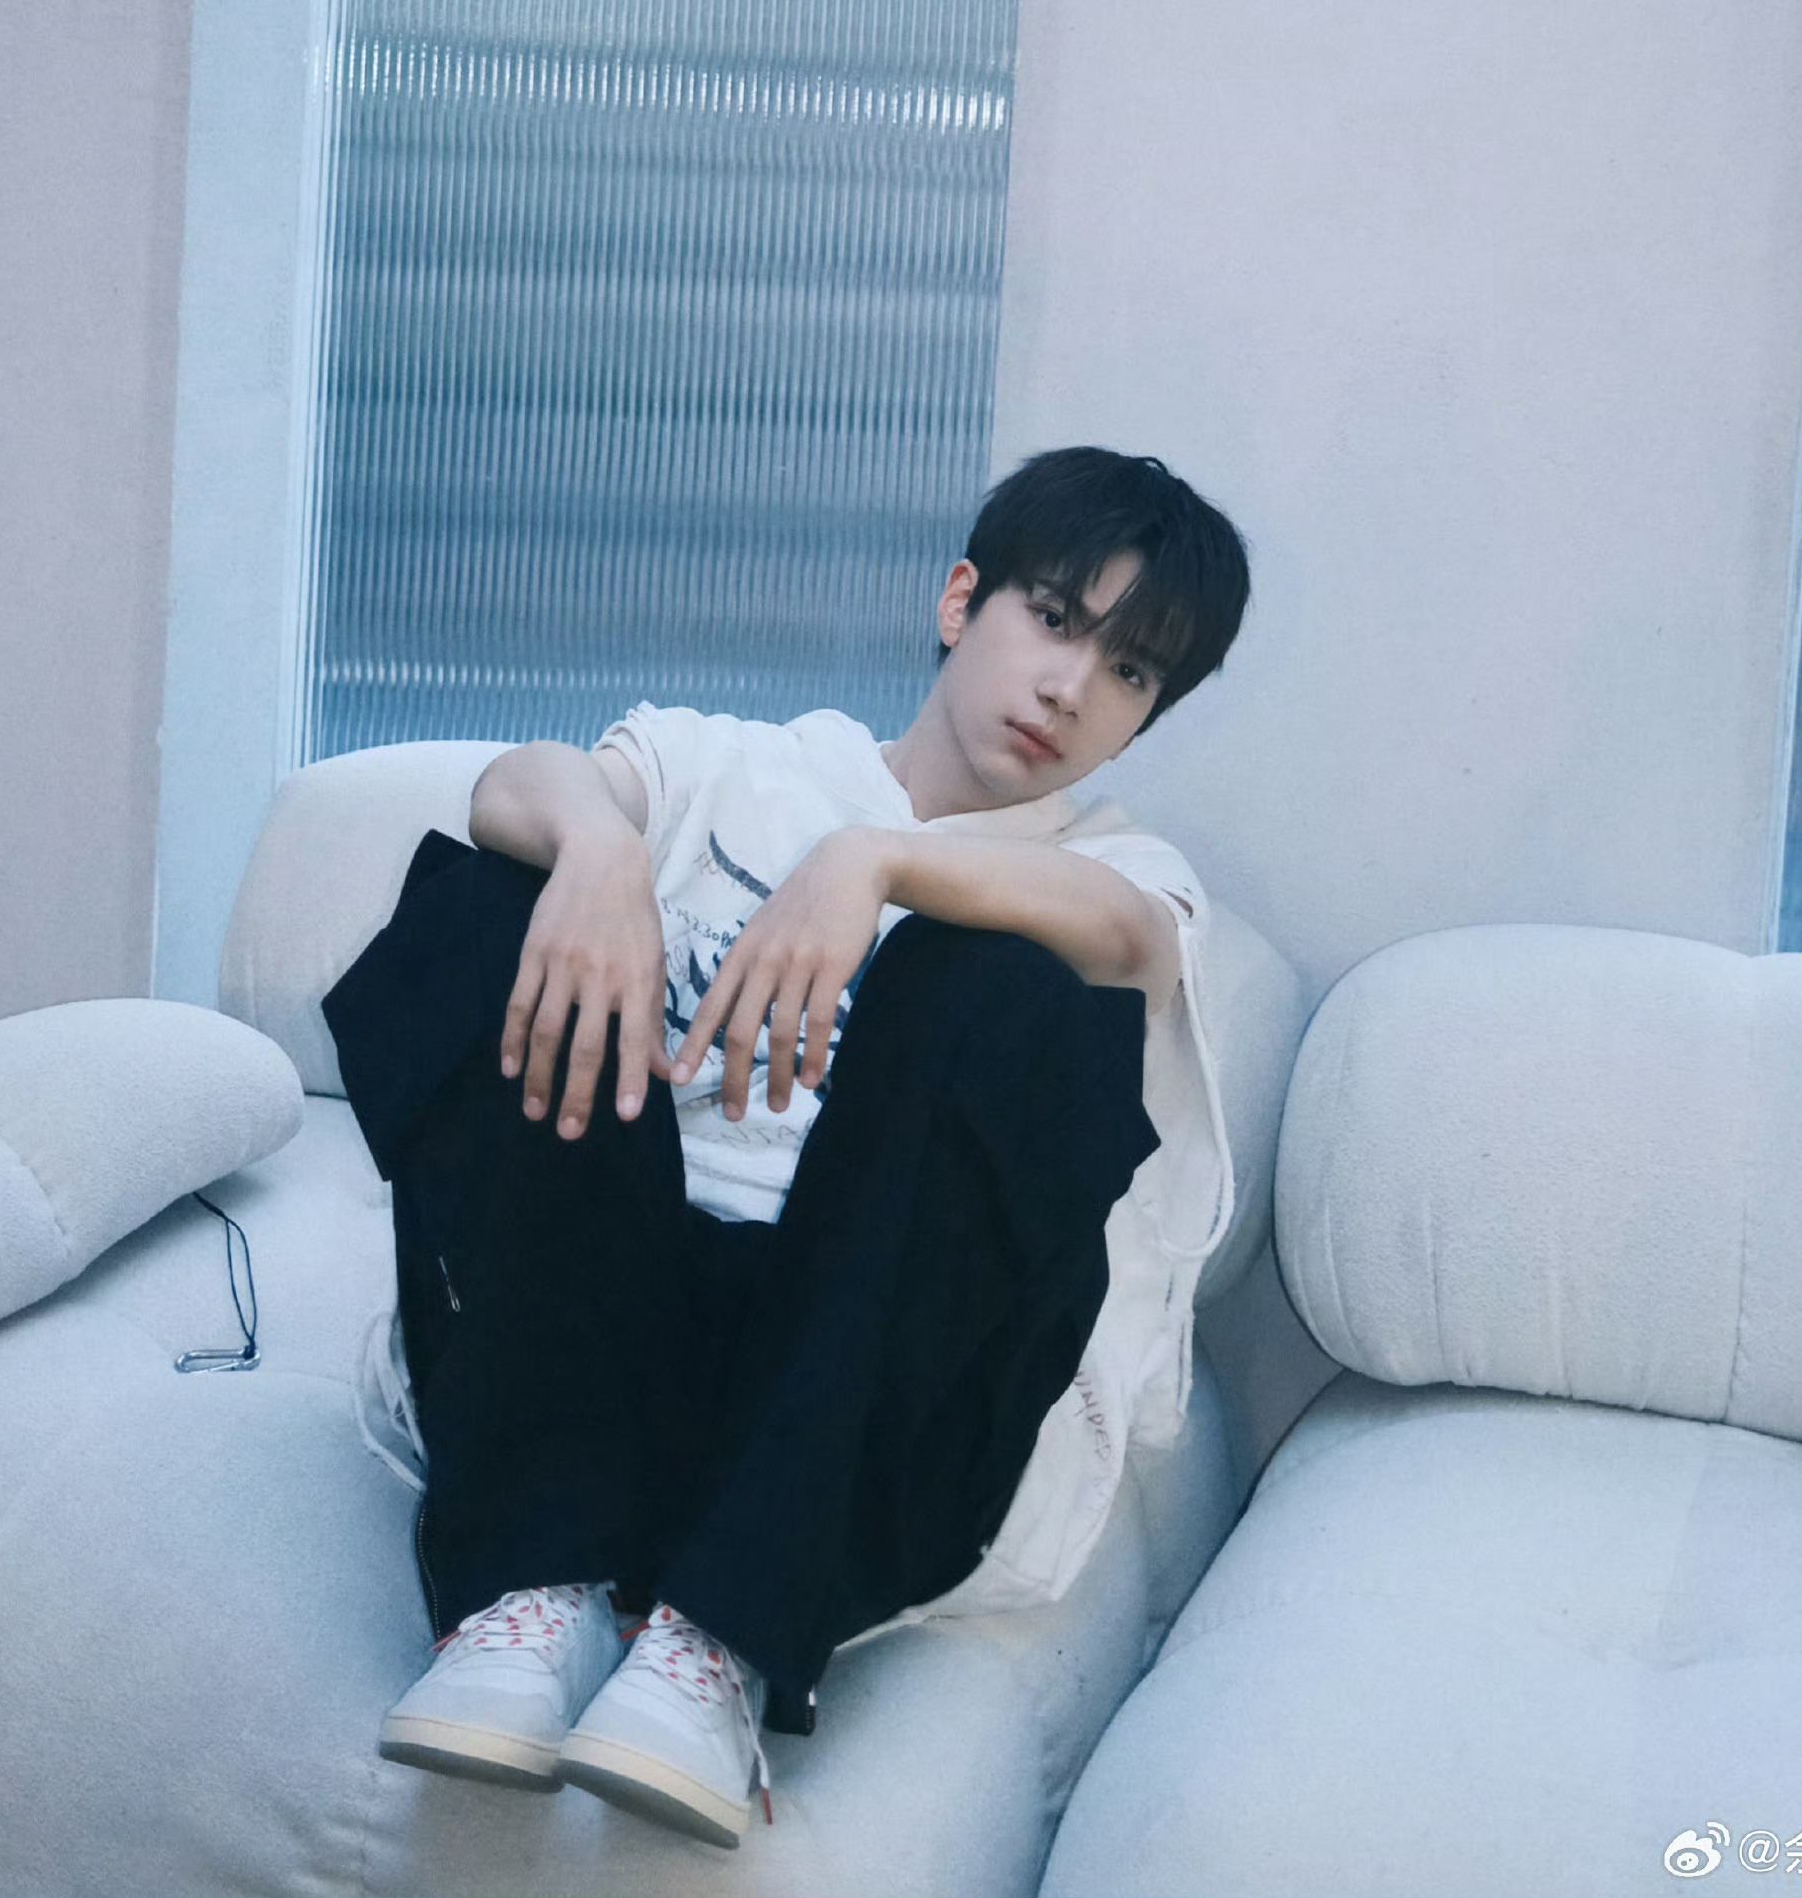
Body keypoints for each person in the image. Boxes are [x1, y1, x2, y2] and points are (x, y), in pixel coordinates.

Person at [324, 445, 1250, 1850]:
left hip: (855, 1403)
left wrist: (876, 863)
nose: (1072, 687)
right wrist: (599, 853)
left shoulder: (1122, 870)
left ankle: (722, 1641)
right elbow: (519, 784)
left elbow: (1129, 940)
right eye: (1056, 619)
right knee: (493, 896)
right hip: (592, 1325)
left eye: (1129, 671)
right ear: (962, 600)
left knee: (1011, 983)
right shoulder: (737, 768)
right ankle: (532, 1591)